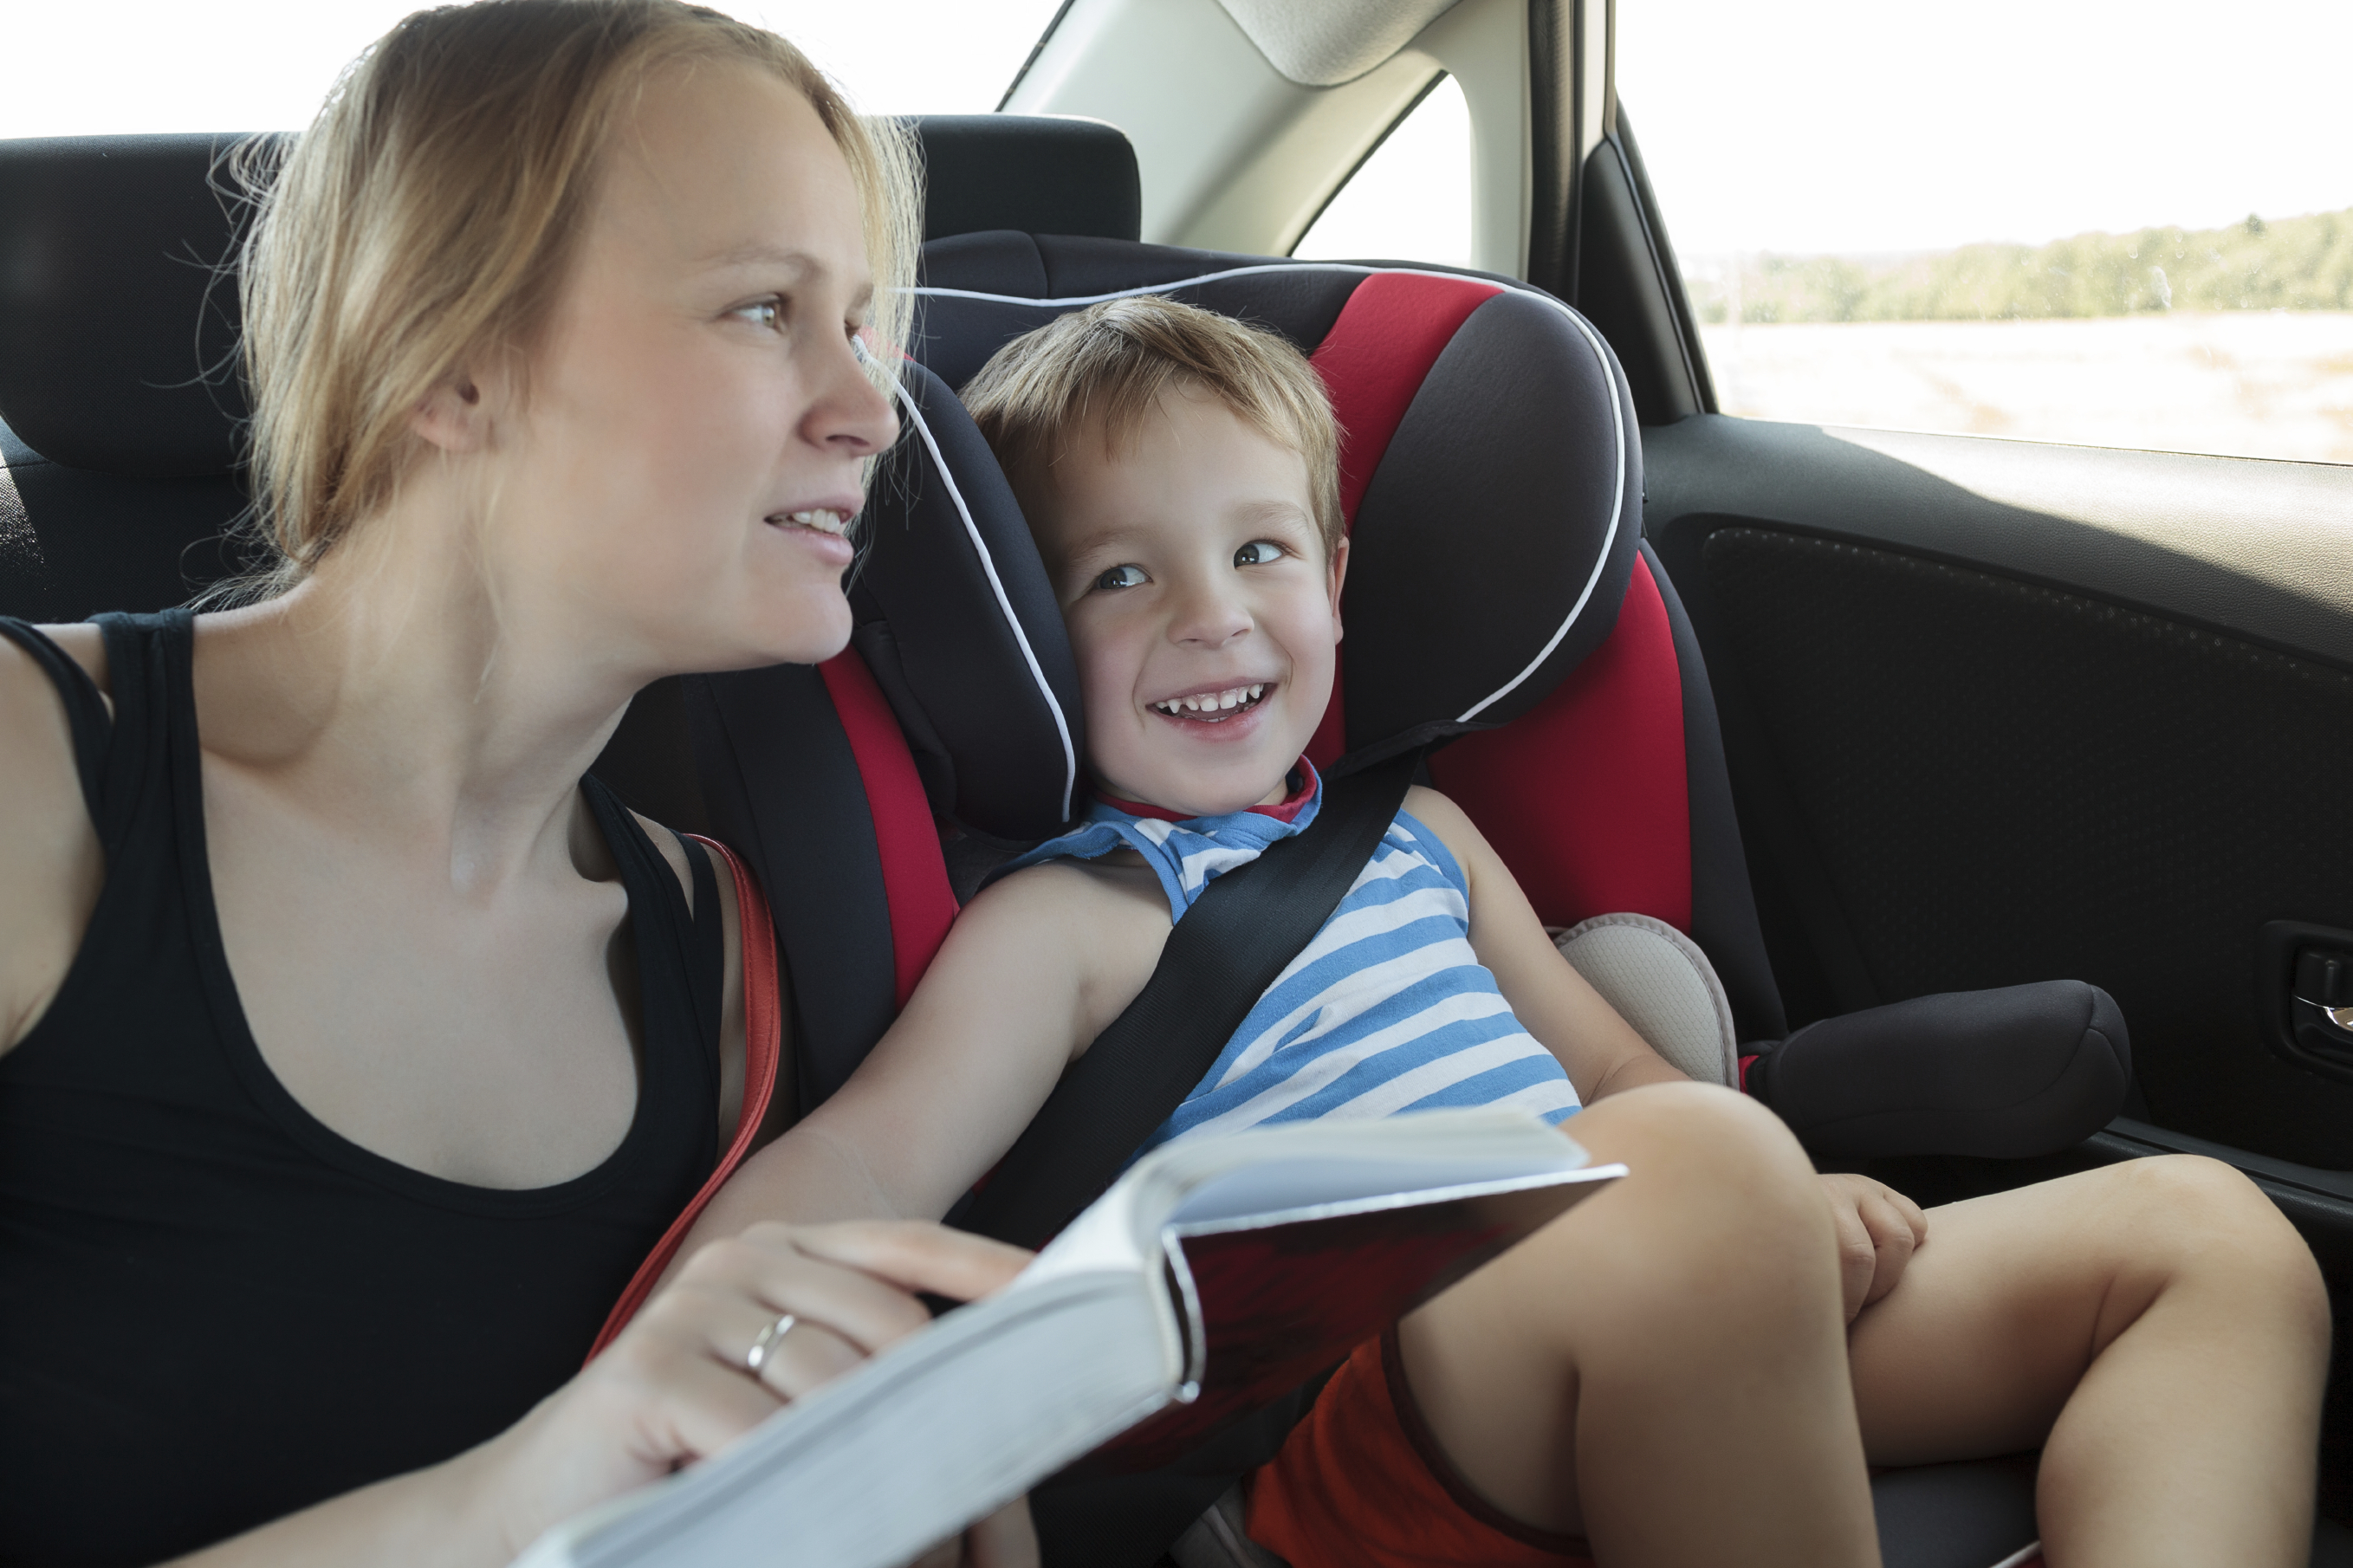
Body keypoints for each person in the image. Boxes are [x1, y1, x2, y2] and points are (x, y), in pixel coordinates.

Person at [680, 296, 2333, 1568]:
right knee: (1698, 1176)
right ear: (1037, 637)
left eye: (1259, 548)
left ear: (1334, 578)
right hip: (1361, 1413)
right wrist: (680, 1348)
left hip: (1662, 1301)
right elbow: (871, 1168)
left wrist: (1780, 1197)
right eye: (1120, 578)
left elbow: (1621, 1074)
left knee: (2208, 1234)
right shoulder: (1081, 919)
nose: (1213, 611)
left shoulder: (1420, 838)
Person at [0, 3, 1034, 1565]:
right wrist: (530, 1487)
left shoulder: (717, 956)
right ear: (452, 358)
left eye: (863, 324)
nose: (872, 408)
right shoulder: (31, 780)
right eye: (765, 309)